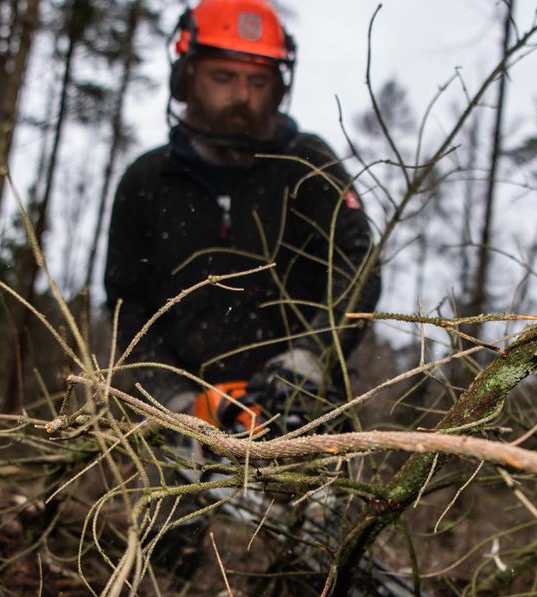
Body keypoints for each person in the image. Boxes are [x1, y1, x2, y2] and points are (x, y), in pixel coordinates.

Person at [104, 0, 380, 429]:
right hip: (184, 415)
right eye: (223, 77)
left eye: (258, 81)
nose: (242, 96)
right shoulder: (147, 179)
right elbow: (127, 307)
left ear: (278, 86)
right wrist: (170, 398)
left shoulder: (308, 164)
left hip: (301, 409)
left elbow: (356, 263)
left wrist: (312, 353)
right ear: (187, 77)